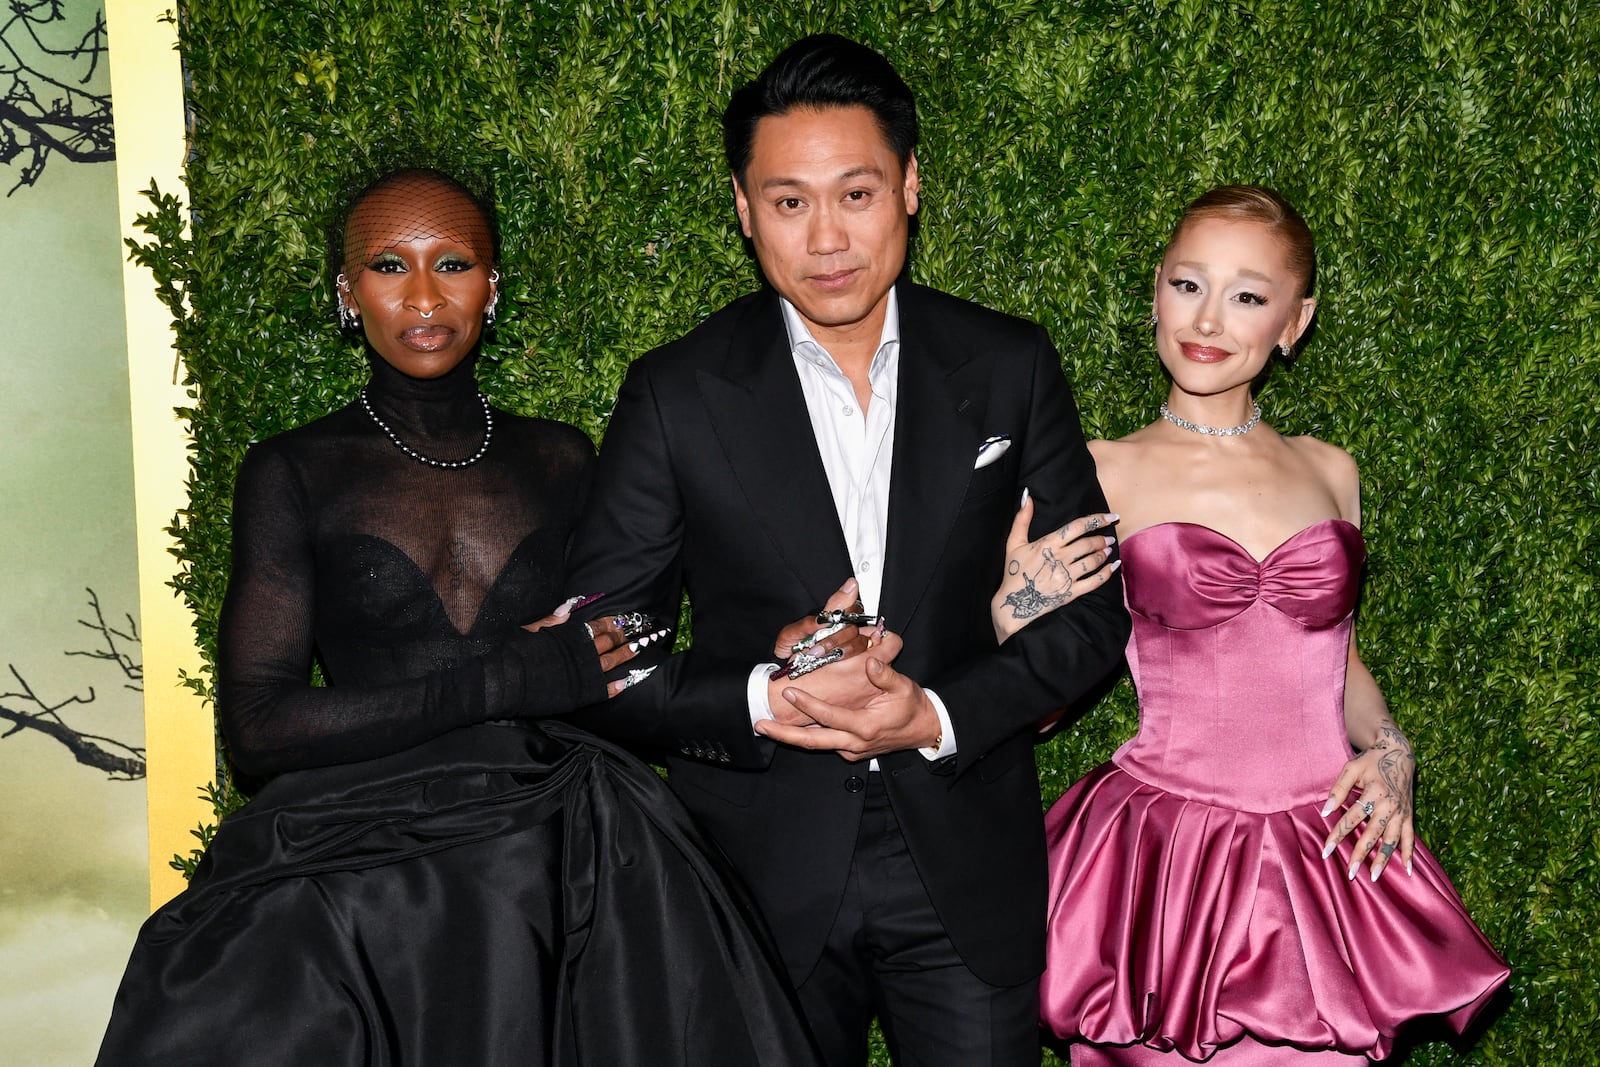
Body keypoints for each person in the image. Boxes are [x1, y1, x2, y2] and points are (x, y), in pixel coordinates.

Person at [96, 166, 821, 1066]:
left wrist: (771, 657)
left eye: (454, 262)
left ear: (492, 286)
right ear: (347, 295)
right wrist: (502, 679)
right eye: (389, 266)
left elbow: (626, 651)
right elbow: (256, 726)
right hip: (364, 863)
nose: (425, 295)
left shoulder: (561, 457)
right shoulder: (294, 470)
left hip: (566, 844)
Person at [564, 34, 1130, 1067]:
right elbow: (603, 645)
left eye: (856, 193)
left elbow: (1096, 614)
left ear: (910, 186)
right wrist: (758, 693)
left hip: (963, 858)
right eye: (787, 202)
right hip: (753, 875)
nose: (825, 236)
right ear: (743, 207)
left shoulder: (1007, 364)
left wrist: (936, 711)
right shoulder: (675, 392)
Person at [992, 185, 1509, 1064]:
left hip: (1325, 856)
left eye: (1247, 295)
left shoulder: (1332, 470)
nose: (1208, 319)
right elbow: (1036, 708)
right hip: (1169, 863)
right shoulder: (1097, 473)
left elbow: (1334, 660)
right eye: (1189, 284)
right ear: (1156, 288)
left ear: (1294, 322)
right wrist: (1013, 613)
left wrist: (1390, 748)